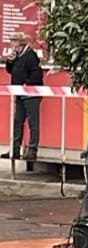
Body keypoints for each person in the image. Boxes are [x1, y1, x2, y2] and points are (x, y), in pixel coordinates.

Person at [2, 32, 43, 161]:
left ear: (20, 43)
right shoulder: (18, 55)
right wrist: (10, 61)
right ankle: (15, 149)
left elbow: (37, 74)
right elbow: (11, 71)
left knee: (33, 122)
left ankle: (32, 150)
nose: (11, 44)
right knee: (17, 121)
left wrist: (26, 83)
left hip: (30, 94)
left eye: (14, 41)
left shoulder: (30, 55)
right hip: (19, 94)